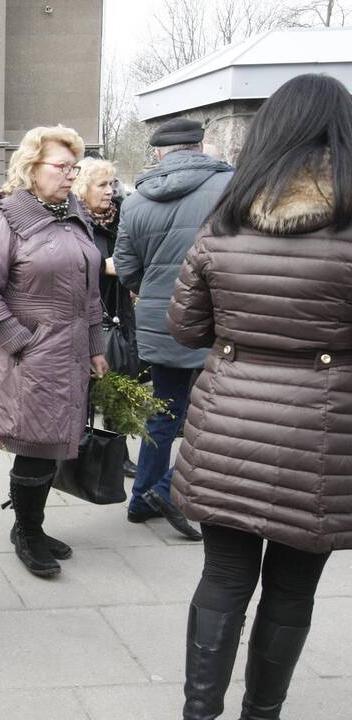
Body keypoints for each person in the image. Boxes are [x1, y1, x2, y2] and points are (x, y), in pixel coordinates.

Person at [167, 73, 352, 720]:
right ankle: (261, 714)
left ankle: (198, 712)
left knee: (220, 577)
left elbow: (185, 325)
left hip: (227, 422)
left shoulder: (226, 218)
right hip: (322, 435)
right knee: (292, 588)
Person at [0, 125, 107, 578]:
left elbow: (90, 291)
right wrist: (22, 342)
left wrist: (95, 346)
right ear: (31, 167)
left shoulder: (73, 214)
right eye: (61, 167)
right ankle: (26, 530)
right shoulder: (6, 219)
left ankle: (33, 525)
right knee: (36, 444)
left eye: (74, 168)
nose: (70, 176)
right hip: (30, 354)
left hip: (70, 350)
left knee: (55, 443)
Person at [113, 117, 233, 541]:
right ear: (200, 147)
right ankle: (167, 490)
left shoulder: (137, 200)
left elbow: (126, 270)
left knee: (163, 411)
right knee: (221, 418)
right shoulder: (231, 188)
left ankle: (142, 497)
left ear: (160, 154)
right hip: (222, 322)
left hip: (162, 321)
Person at [72, 157, 138, 478]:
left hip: (119, 314)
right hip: (88, 317)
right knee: (83, 392)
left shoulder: (118, 220)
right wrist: (103, 266)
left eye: (111, 184)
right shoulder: (75, 222)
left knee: (119, 388)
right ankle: (81, 454)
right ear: (84, 187)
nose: (109, 191)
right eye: (101, 185)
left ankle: (118, 454)